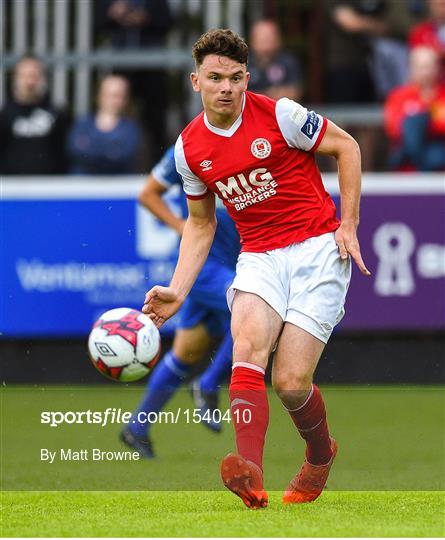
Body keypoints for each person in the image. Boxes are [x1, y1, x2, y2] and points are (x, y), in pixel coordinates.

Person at [142, 28, 370, 509]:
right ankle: (250, 473)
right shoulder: (189, 150)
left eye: (236, 77)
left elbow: (347, 147)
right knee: (246, 347)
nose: (226, 87)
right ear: (195, 81)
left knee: (290, 382)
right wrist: (179, 290)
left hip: (317, 250)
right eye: (215, 77)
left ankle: (320, 453)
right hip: (259, 255)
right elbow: (200, 225)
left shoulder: (281, 115)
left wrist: (348, 224)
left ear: (248, 78)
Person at [121, 145, 240, 456]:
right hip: (202, 268)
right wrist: (182, 227)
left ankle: (136, 428)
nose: (225, 92)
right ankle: (209, 383)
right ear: (200, 92)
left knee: (187, 352)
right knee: (253, 311)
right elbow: (148, 193)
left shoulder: (256, 142)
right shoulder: (192, 147)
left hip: (233, 264)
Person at [96, 0, 173, 163]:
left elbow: (167, 21)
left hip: (152, 66)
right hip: (121, 62)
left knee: (155, 120)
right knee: (115, 113)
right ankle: (112, 160)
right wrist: (112, 12)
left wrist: (146, 18)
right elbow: (97, 22)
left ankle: (157, 165)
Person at [0, 55, 69, 175]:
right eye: (25, 76)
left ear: (43, 79)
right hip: (9, 188)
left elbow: (65, 154)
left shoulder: (57, 115)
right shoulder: (4, 115)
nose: (30, 82)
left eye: (34, 76)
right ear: (15, 78)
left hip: (49, 187)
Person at [384, 46, 445, 171]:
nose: (426, 72)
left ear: (438, 68)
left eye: (429, 66)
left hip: (439, 153)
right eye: (421, 67)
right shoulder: (399, 95)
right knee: (413, 125)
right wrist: (428, 120)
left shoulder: (443, 94)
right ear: (411, 68)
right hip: (409, 159)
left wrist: (425, 122)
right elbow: (394, 128)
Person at [67, 75, 141, 175]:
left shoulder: (131, 129)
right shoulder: (82, 124)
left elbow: (124, 156)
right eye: (111, 95)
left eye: (120, 96)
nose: (115, 101)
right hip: (83, 186)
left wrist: (91, 148)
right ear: (99, 96)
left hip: (118, 186)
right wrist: (111, 150)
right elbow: (75, 152)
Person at [247, 19, 302, 101]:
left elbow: (294, 93)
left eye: (269, 37)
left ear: (278, 39)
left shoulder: (288, 62)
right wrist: (272, 93)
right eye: (262, 38)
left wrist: (254, 96)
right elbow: (238, 95)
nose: (266, 42)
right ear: (253, 40)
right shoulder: (243, 63)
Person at [409, 0, 445, 80]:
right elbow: (418, 63)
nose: (442, 9)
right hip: (432, 83)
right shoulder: (419, 32)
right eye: (438, 5)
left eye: (443, 4)